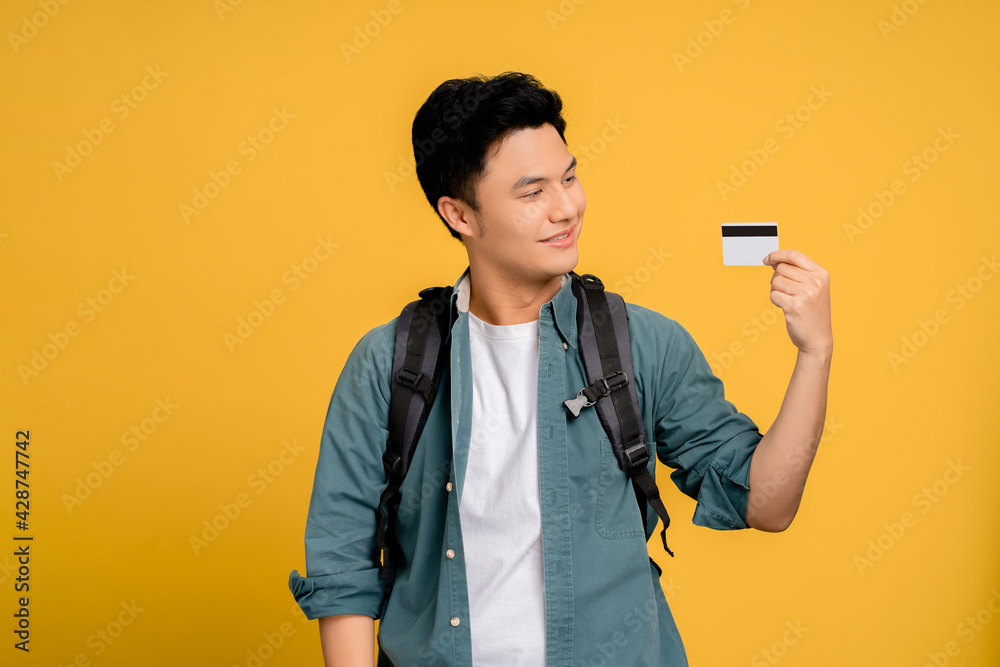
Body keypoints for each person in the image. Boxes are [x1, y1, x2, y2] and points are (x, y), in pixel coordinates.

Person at [288, 71, 832, 666]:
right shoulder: (389, 364)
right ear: (460, 214)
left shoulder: (642, 345)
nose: (567, 207)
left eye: (569, 177)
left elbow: (766, 505)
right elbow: (342, 565)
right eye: (532, 192)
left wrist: (815, 353)